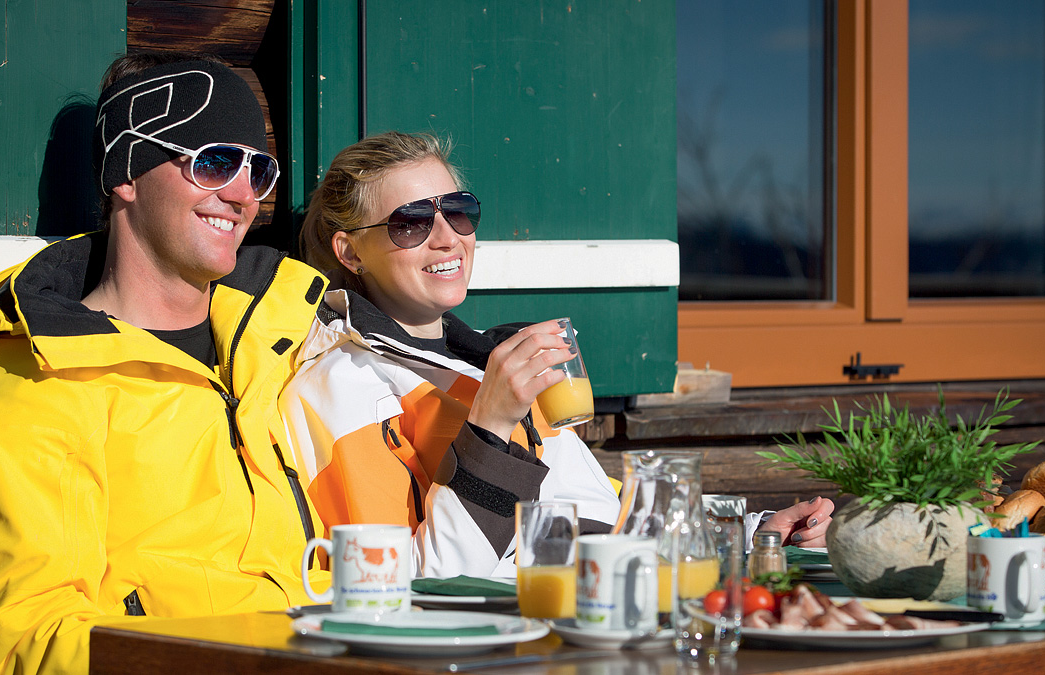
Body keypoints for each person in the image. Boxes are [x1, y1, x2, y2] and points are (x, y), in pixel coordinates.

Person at [0, 53, 330, 675]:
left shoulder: (284, 347)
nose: (243, 195)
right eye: (214, 162)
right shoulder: (34, 394)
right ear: (127, 174)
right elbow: (35, 644)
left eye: (258, 170)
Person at [280, 132, 833, 578]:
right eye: (411, 223)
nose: (448, 238)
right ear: (350, 252)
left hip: (605, 605)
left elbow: (595, 516)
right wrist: (490, 430)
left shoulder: (490, 361)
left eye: (459, 211)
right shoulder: (341, 387)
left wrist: (753, 531)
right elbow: (411, 583)